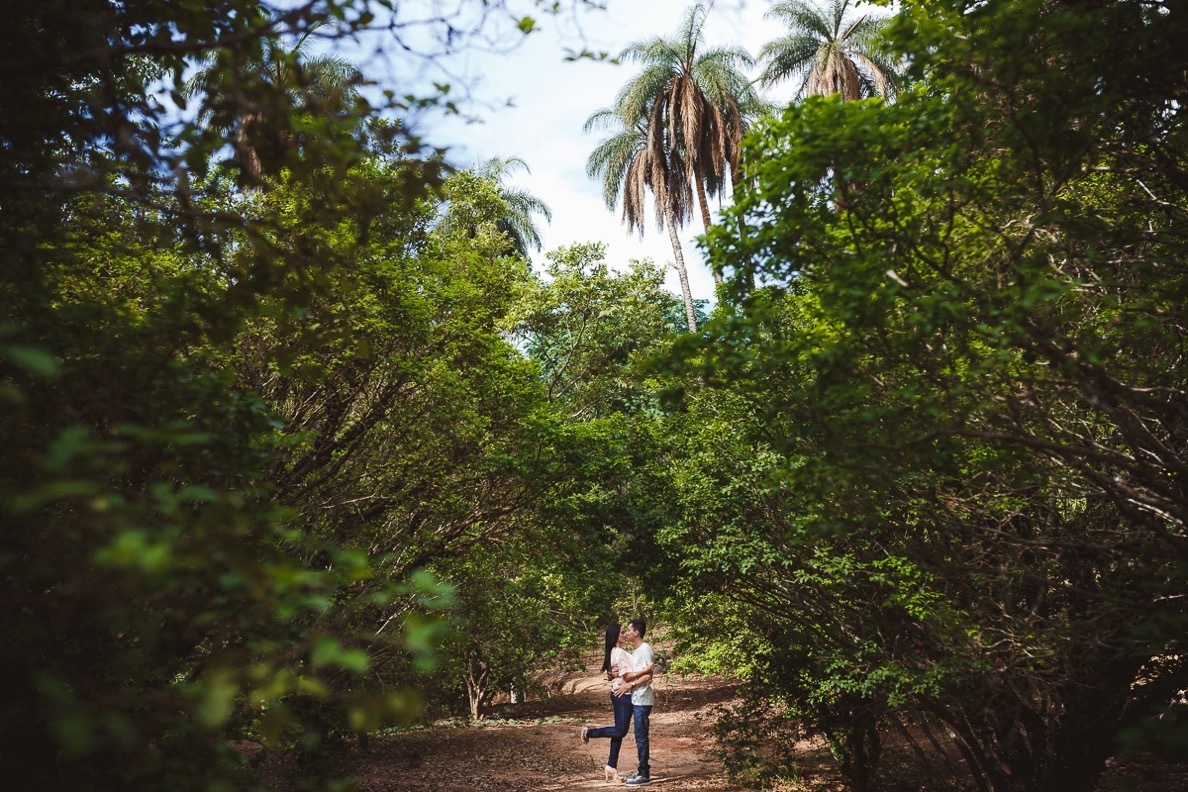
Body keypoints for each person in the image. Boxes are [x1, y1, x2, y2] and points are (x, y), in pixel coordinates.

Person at [579, 623, 636, 781]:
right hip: (622, 695)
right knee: (620, 731)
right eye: (621, 633)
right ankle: (588, 732)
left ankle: (611, 766)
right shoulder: (619, 653)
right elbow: (627, 677)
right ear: (615, 636)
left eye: (625, 632)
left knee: (618, 732)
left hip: (621, 694)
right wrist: (645, 670)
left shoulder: (613, 652)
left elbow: (611, 675)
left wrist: (618, 674)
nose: (624, 634)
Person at [620, 618, 655, 787]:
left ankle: (644, 773)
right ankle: (641, 770)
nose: (626, 633)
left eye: (628, 630)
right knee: (638, 736)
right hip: (636, 698)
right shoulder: (635, 652)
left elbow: (648, 675)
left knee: (641, 737)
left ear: (637, 632)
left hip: (643, 699)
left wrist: (631, 684)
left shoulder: (645, 649)